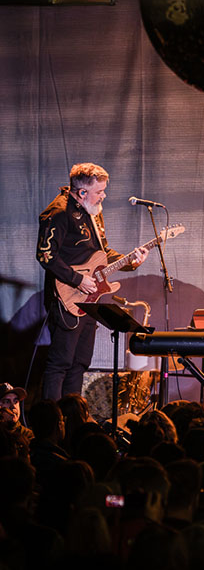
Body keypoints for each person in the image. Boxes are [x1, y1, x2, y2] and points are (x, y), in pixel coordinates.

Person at [36, 163, 148, 399]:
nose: (104, 195)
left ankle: (72, 419)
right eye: (99, 191)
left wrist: (132, 261)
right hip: (65, 297)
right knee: (60, 363)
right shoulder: (58, 213)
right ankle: (53, 425)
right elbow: (45, 255)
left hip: (90, 298)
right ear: (82, 191)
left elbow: (103, 254)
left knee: (80, 363)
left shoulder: (93, 211)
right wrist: (77, 280)